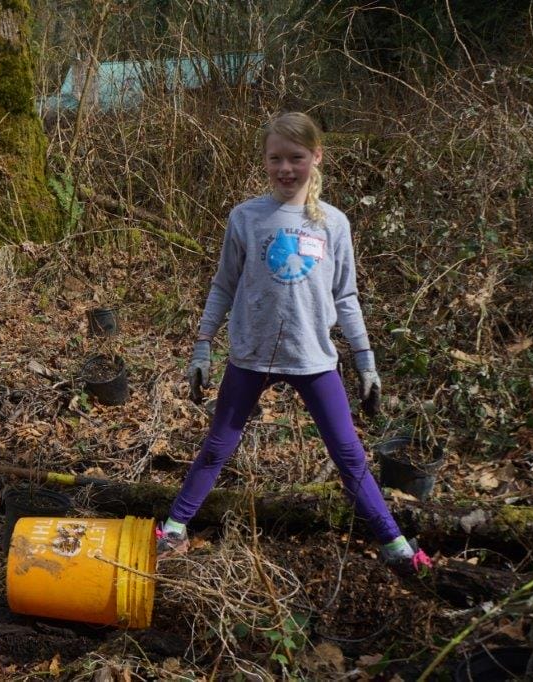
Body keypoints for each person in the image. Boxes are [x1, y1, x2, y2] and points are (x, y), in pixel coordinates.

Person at [157, 112, 432, 576]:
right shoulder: (246, 217)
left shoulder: (334, 224)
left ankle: (395, 544)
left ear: (316, 157)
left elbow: (345, 296)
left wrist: (365, 361)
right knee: (219, 445)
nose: (285, 169)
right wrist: (203, 345)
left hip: (313, 358)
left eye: (296, 158)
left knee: (349, 454)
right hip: (251, 354)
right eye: (275, 159)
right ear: (265, 161)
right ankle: (174, 528)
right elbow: (223, 285)